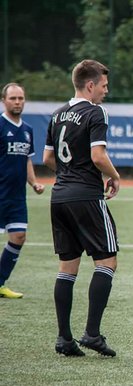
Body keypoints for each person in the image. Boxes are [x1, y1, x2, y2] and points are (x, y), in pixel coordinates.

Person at [43, 59, 120, 357]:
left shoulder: (57, 113)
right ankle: (92, 334)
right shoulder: (95, 111)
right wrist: (114, 176)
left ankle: (64, 338)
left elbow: (49, 158)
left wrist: (68, 172)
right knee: (107, 262)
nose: (105, 90)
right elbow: (98, 155)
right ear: (90, 85)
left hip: (59, 196)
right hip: (86, 196)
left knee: (67, 268)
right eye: (103, 85)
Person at [0, 83, 45, 299]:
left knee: (18, 236)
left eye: (20, 98)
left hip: (17, 197)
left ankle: (0, 283)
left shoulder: (27, 130)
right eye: (13, 98)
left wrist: (34, 182)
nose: (17, 102)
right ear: (3, 101)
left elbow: (26, 159)